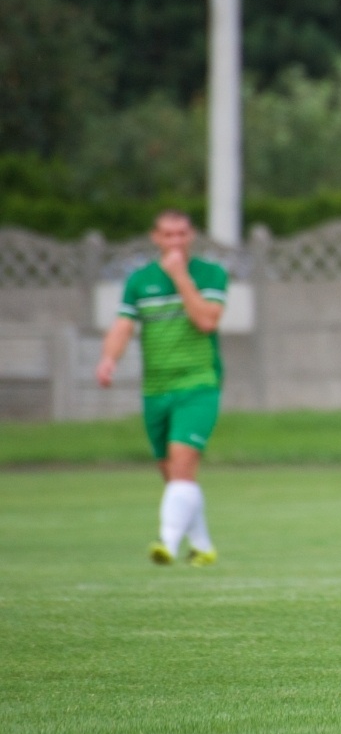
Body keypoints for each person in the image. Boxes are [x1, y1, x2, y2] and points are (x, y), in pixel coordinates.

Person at [97, 210, 228, 567]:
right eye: (168, 235)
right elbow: (124, 325)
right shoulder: (140, 281)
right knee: (173, 475)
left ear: (192, 236)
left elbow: (205, 320)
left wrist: (180, 276)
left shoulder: (210, 274)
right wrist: (109, 359)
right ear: (155, 237)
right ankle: (202, 545)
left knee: (183, 466)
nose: (175, 242)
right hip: (156, 388)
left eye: (182, 234)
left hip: (198, 383)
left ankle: (166, 543)